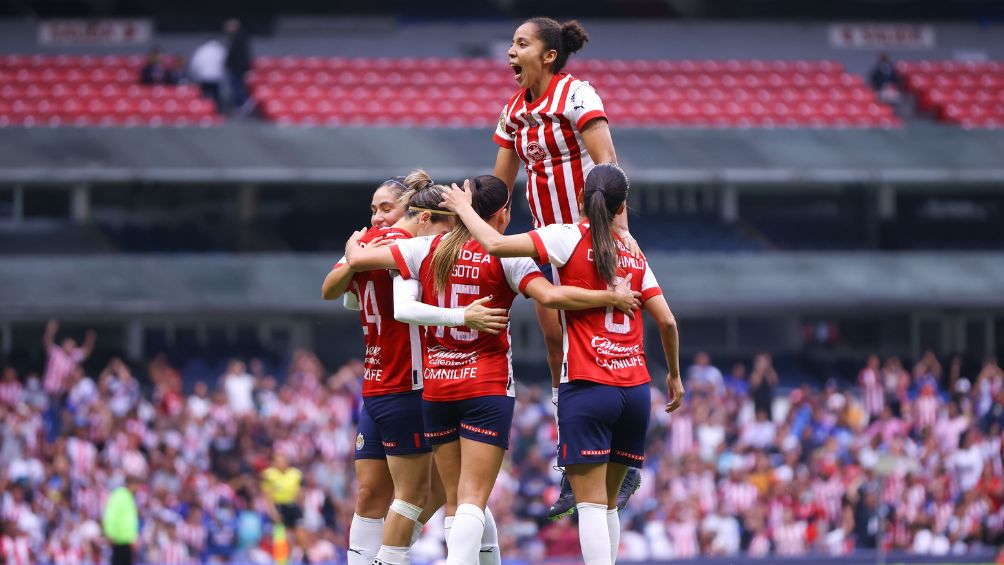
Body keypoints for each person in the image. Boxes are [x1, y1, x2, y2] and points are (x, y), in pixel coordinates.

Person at [344, 174, 641, 565]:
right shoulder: (510, 258)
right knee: (470, 500)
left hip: (437, 386)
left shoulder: (426, 247)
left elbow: (361, 263)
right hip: (487, 387)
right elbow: (552, 296)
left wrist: (354, 242)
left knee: (456, 498)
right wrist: (609, 295)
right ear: (503, 213)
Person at [438, 163, 684, 565]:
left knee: (588, 506)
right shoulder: (633, 251)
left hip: (587, 385)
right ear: (622, 205)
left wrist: (464, 209)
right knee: (608, 505)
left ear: (582, 199)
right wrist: (673, 375)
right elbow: (668, 321)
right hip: (636, 390)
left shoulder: (566, 237)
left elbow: (496, 246)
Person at [490, 17, 642, 518]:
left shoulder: (577, 95)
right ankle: (571, 456)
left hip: (588, 238)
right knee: (557, 343)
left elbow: (609, 168)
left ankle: (626, 454)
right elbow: (498, 189)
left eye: (520, 43)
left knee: (604, 341)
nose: (511, 52)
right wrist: (467, 214)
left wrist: (617, 240)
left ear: (548, 54)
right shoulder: (513, 111)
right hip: (546, 243)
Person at [323, 171, 467, 565]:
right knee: (380, 493)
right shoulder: (376, 243)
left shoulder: (410, 245)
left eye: (386, 208)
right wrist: (354, 259)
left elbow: (343, 294)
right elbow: (332, 289)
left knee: (432, 490)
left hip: (411, 381)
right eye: (373, 209)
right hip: (380, 384)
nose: (377, 217)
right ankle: (385, 554)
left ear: (413, 211)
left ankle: (385, 554)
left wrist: (354, 256)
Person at [103, 475, 140, 565]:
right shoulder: (119, 495)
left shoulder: (129, 497)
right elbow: (111, 515)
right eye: (136, 485)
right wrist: (110, 533)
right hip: (118, 540)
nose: (137, 488)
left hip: (127, 541)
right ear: (131, 484)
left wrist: (133, 538)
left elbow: (130, 520)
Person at [189, 37, 227, 112]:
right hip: (216, 78)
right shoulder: (221, 50)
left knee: (204, 96)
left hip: (204, 77)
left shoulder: (201, 50)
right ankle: (217, 111)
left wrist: (195, 76)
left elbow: (194, 64)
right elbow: (226, 64)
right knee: (216, 96)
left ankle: (204, 110)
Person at [224, 19, 253, 113]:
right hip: (236, 67)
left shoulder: (239, 39)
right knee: (236, 86)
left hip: (238, 68)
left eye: (230, 26)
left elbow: (238, 55)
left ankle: (243, 104)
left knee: (238, 86)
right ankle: (241, 104)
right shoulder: (235, 38)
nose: (227, 28)